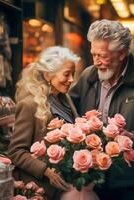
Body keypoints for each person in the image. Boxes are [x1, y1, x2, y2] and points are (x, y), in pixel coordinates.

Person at [69, 19, 134, 200]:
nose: (96, 62)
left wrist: (133, 137)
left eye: (102, 56)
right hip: (90, 177)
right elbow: (68, 107)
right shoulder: (88, 75)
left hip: (128, 181)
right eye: (93, 54)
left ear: (122, 53)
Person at [8, 46, 80, 200]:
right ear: (48, 75)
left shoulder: (65, 100)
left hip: (68, 185)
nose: (72, 80)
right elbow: (16, 152)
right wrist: (46, 171)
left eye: (73, 74)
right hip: (43, 189)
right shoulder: (29, 104)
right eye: (67, 74)